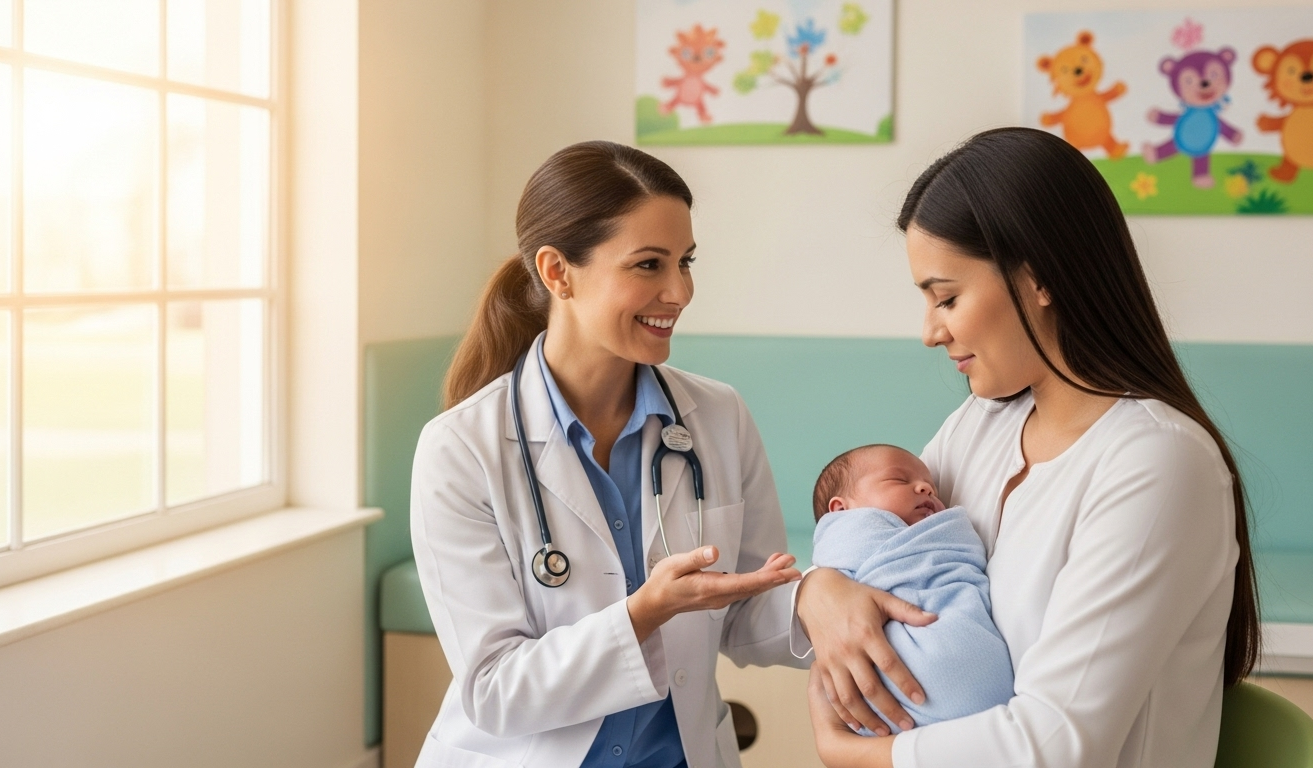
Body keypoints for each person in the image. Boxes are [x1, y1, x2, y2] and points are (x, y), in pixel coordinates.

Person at [794, 127, 1261, 767]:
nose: (931, 332)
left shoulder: (1156, 462)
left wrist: (848, 752)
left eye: (948, 298)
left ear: (1038, 279)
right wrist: (818, 587)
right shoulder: (981, 425)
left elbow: (1056, 746)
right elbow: (877, 547)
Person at [409, 140, 806, 768]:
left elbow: (747, 605)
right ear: (557, 271)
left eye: (686, 261)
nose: (679, 291)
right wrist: (643, 615)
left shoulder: (718, 416)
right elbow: (492, 689)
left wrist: (823, 601)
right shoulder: (460, 450)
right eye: (649, 264)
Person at [809, 444, 1015, 731]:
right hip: (895, 706)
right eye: (899, 480)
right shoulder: (845, 545)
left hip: (991, 700)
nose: (925, 489)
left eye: (932, 489)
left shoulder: (944, 537)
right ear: (841, 510)